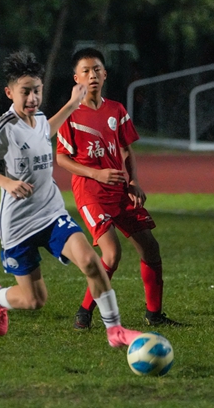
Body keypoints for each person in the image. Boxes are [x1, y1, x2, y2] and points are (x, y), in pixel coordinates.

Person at [0, 51, 142, 348]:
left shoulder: (36, 118)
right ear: (10, 93)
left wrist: (73, 103)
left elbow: (45, 131)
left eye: (37, 90)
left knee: (90, 261)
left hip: (50, 214)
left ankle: (115, 331)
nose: (33, 97)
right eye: (26, 92)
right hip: (17, 225)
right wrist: (6, 182)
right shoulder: (4, 126)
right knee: (34, 301)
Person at [56, 48, 181, 330]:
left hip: (119, 190)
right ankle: (84, 312)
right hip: (90, 193)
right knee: (112, 254)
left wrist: (134, 180)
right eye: (86, 71)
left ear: (105, 74)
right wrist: (95, 173)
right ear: (77, 78)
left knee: (150, 247)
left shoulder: (116, 110)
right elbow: (62, 158)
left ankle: (154, 315)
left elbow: (126, 149)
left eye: (97, 69)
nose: (93, 75)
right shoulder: (70, 115)